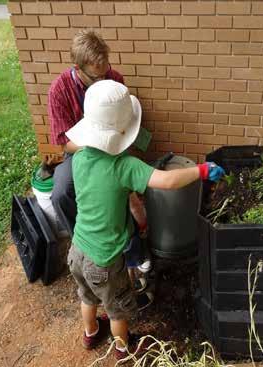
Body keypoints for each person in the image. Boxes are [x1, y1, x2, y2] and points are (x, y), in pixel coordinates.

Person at [65, 80, 225, 359]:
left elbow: (124, 199)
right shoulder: (124, 166)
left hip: (77, 249)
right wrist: (201, 170)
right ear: (124, 130)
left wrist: (138, 220)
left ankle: (90, 333)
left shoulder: (79, 158)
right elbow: (168, 179)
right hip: (104, 260)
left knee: (87, 296)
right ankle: (124, 347)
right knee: (117, 308)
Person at [47, 29, 152, 306]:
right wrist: (95, 149)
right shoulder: (59, 90)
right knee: (61, 192)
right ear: (77, 68)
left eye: (106, 71)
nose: (105, 78)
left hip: (115, 147)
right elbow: (62, 140)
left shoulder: (112, 78)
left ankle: (131, 254)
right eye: (97, 76)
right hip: (81, 151)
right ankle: (86, 247)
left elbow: (125, 123)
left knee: (124, 192)